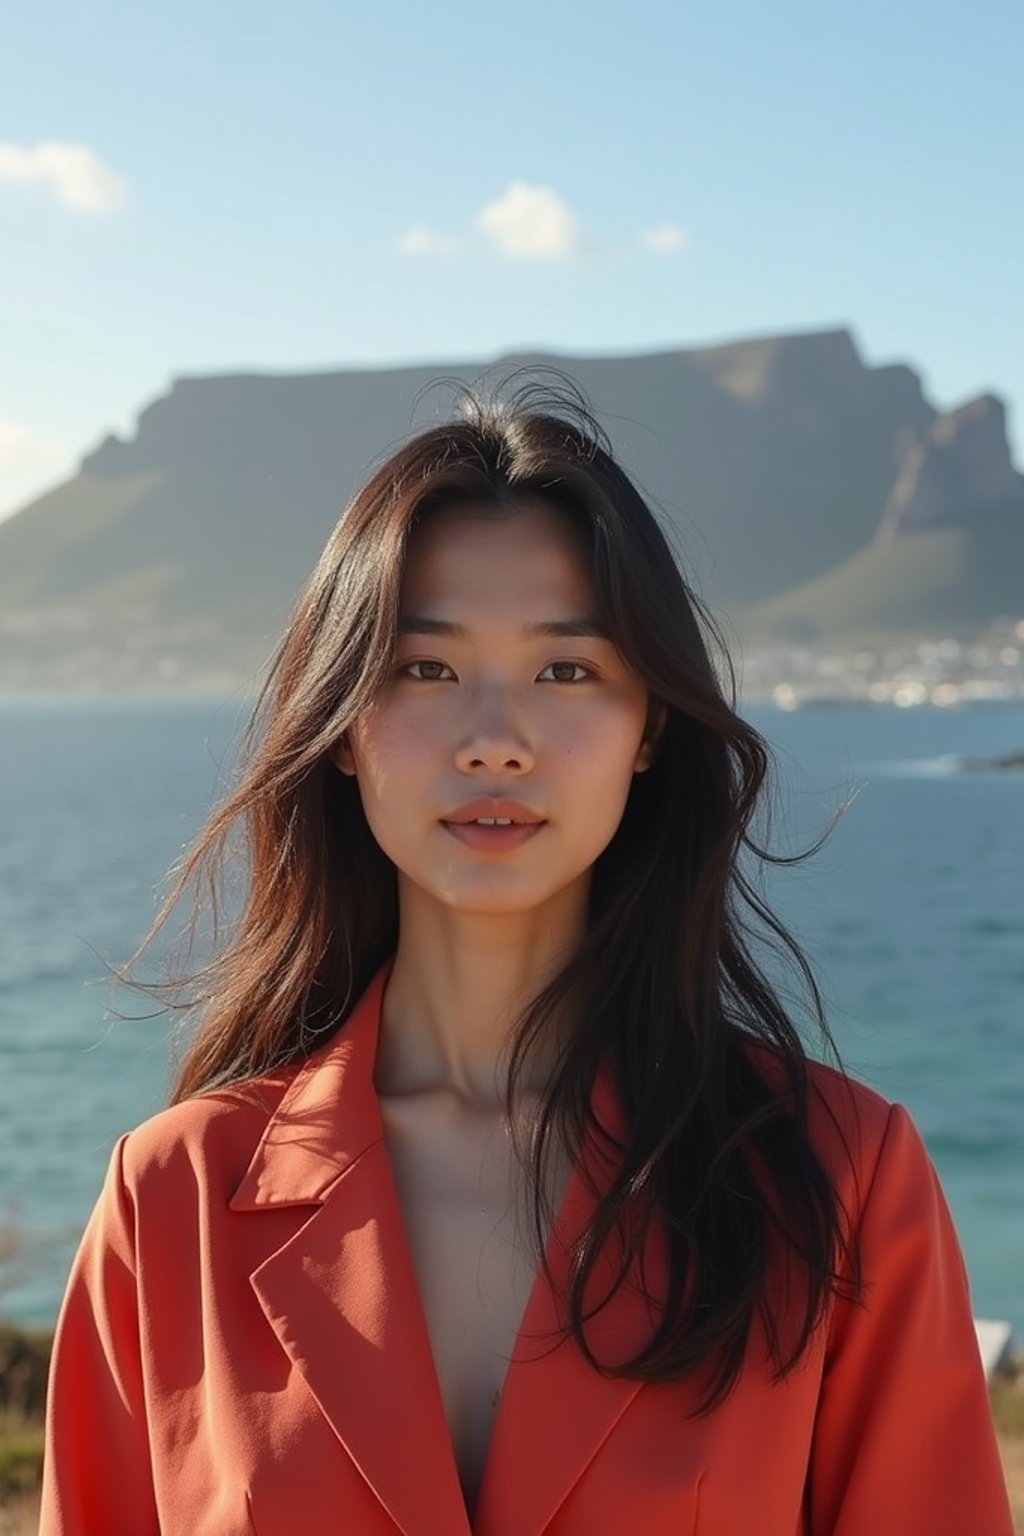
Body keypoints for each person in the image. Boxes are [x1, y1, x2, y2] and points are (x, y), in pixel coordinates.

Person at [39, 373, 1013, 1534]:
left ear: (648, 727)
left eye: (565, 670)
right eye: (426, 669)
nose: (495, 741)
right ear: (343, 725)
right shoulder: (174, 1200)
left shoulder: (840, 1181)